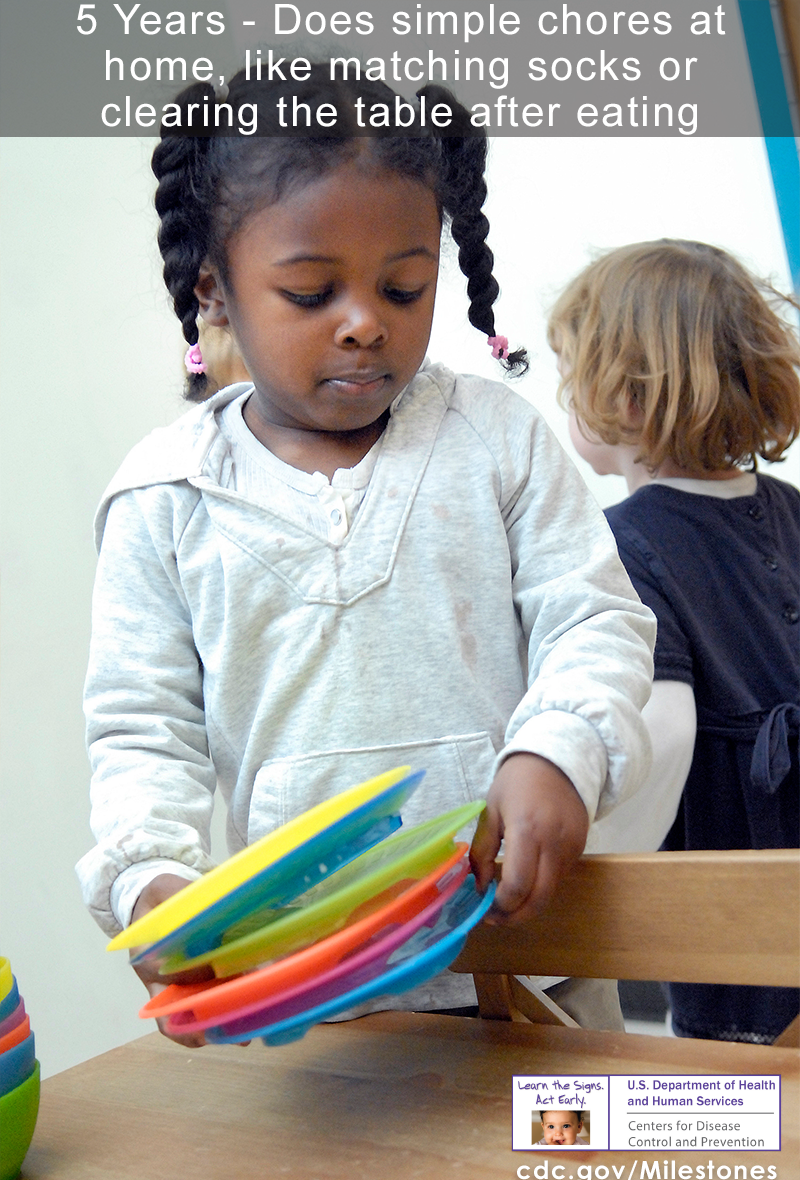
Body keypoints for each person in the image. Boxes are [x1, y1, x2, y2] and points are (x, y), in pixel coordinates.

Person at [77, 67, 656, 1045]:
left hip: (538, 971)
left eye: (403, 284)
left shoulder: (495, 439)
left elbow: (593, 620)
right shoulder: (163, 495)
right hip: (317, 992)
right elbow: (143, 732)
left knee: (574, 1173)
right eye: (310, 292)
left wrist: (556, 747)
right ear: (212, 288)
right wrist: (155, 883)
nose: (364, 321)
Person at [548, 239, 800, 1043]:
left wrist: (570, 883)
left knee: (746, 1108)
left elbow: (660, 736)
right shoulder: (794, 508)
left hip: (740, 904)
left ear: (619, 398)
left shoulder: (623, 542)